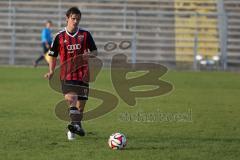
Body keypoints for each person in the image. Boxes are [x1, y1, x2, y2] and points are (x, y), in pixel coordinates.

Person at [44, 7, 98, 140]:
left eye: (78, 19)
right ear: (67, 18)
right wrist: (51, 70)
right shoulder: (59, 36)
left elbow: (95, 51)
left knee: (80, 108)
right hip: (67, 75)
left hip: (83, 75)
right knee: (71, 99)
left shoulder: (85, 35)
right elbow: (53, 55)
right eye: (73, 18)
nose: (75, 21)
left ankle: (75, 127)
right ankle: (75, 127)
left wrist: (89, 55)